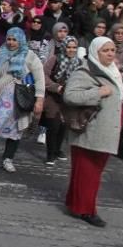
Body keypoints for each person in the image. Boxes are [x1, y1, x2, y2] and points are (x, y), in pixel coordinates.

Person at [62, 37, 123, 227]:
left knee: (89, 171)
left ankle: (75, 204)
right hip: (90, 130)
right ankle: (86, 210)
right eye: (105, 50)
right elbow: (70, 95)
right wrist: (98, 93)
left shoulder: (114, 71)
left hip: (108, 129)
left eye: (112, 50)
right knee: (88, 172)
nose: (109, 54)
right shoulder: (86, 70)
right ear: (95, 52)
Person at [0, 27, 45, 173]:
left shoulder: (30, 56)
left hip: (18, 102)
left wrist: (39, 99)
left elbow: (40, 79)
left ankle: (8, 158)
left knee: (15, 130)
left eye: (14, 39)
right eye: (9, 39)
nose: (11, 42)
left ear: (21, 40)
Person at [43, 36, 81, 166]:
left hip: (69, 98)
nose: (71, 50)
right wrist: (56, 87)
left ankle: (57, 150)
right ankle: (50, 154)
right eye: (69, 47)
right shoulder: (55, 59)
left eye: (74, 47)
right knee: (53, 125)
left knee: (64, 126)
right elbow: (44, 75)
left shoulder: (79, 62)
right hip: (54, 96)